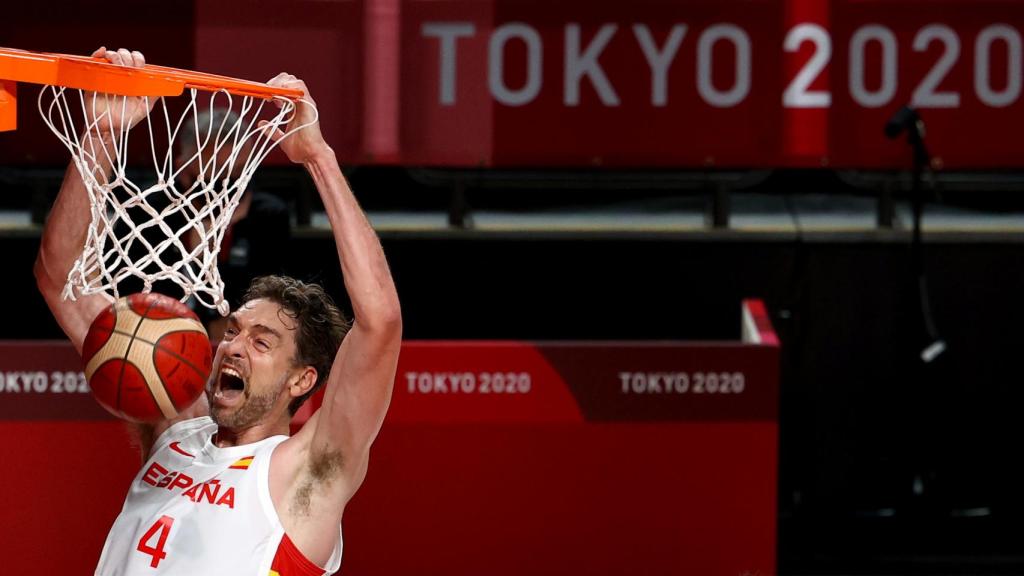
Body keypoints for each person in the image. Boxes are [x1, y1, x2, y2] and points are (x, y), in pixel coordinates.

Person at [33, 47, 402, 575]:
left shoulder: (308, 471)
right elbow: (60, 277)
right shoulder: (174, 423)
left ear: (302, 381)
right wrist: (103, 134)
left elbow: (381, 322)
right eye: (234, 329)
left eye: (262, 341)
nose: (232, 344)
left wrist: (317, 156)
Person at [176, 108, 293, 340]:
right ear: (184, 170)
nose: (228, 184)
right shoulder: (149, 214)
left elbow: (275, 303)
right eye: (216, 173)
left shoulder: (268, 216)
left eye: (238, 172)